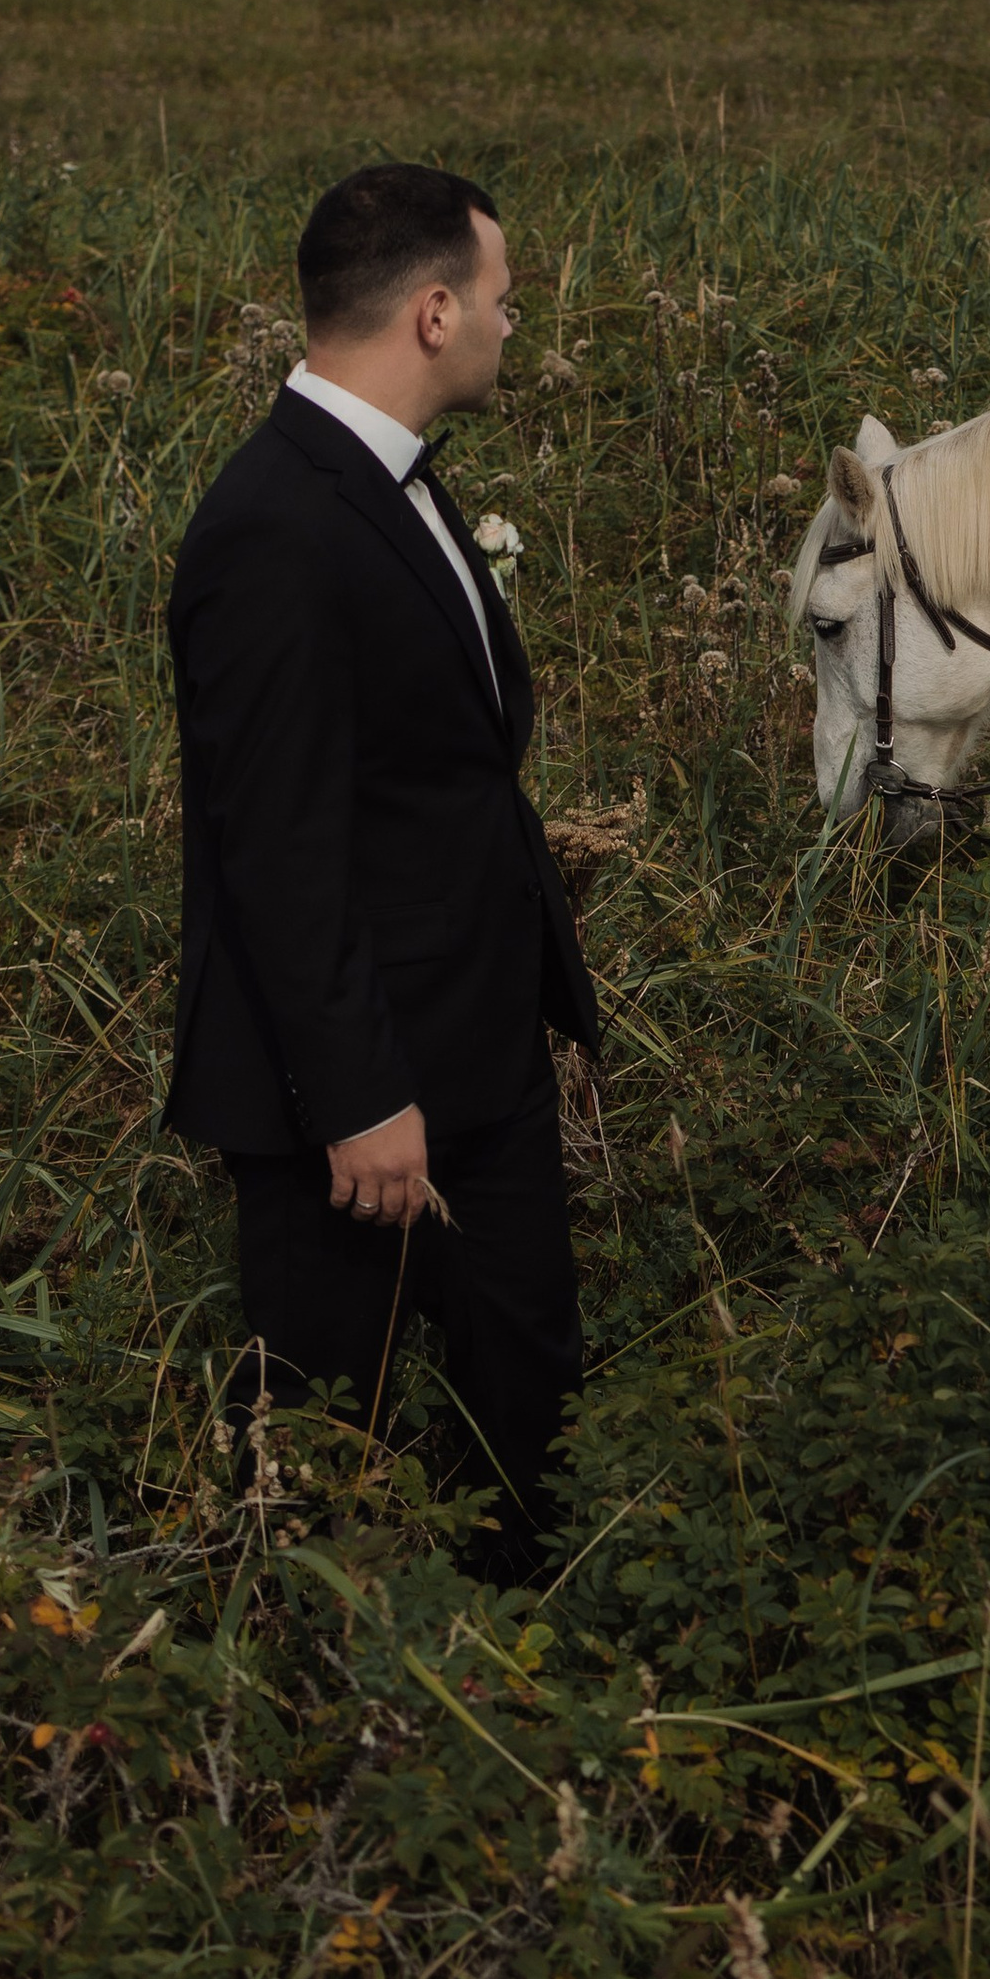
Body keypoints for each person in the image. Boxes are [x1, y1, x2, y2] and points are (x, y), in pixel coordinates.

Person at [164, 161, 599, 1577]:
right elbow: (275, 847)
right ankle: (303, 1673)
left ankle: (523, 1651)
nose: (512, 324)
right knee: (318, 1436)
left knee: (529, 1399)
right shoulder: (272, 526)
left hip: (480, 1045)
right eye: (501, 299)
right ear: (432, 314)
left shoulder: (387, 480)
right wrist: (359, 1099)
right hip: (349, 1100)